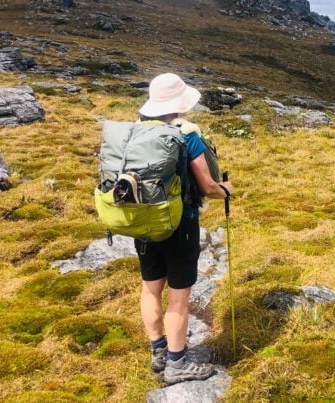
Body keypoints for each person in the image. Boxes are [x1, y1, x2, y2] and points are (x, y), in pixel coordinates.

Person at [134, 73, 234, 385]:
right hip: (180, 224)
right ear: (179, 104)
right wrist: (227, 190)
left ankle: (159, 351)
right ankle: (177, 364)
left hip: (144, 221)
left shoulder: (136, 131)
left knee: (151, 287)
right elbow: (206, 185)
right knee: (179, 296)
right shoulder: (187, 134)